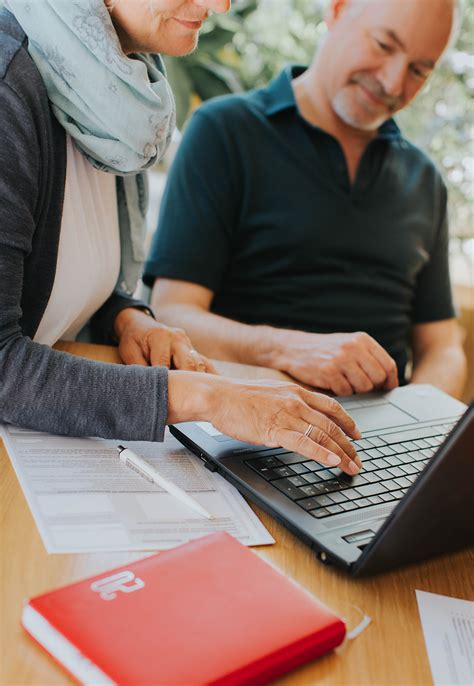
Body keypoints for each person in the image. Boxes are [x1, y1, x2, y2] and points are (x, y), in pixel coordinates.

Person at [0, 0, 362, 476]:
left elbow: (60, 275)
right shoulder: (10, 82)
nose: (220, 4)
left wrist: (126, 320)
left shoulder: (115, 93)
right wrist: (206, 397)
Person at [146, 0, 467, 399]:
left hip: (386, 440)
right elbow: (173, 313)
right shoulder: (226, 131)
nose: (393, 83)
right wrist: (289, 350)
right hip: (251, 420)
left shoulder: (425, 180)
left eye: (419, 70)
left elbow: (442, 346)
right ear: (336, 10)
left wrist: (421, 427)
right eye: (384, 45)